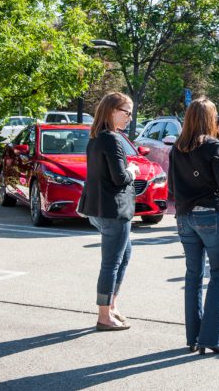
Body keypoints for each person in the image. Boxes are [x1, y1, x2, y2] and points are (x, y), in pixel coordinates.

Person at [169, 97, 219, 355]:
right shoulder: (212, 145)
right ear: (209, 119)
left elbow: (172, 187)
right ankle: (213, 337)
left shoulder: (177, 147)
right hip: (210, 214)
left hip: (184, 216)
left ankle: (193, 336)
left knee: (193, 275)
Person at [80, 92, 140, 331]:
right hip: (113, 210)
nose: (130, 117)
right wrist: (132, 170)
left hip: (99, 208)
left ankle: (112, 306)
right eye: (127, 112)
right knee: (112, 263)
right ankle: (104, 316)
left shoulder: (96, 137)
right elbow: (120, 178)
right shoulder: (112, 139)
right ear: (112, 111)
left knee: (124, 256)